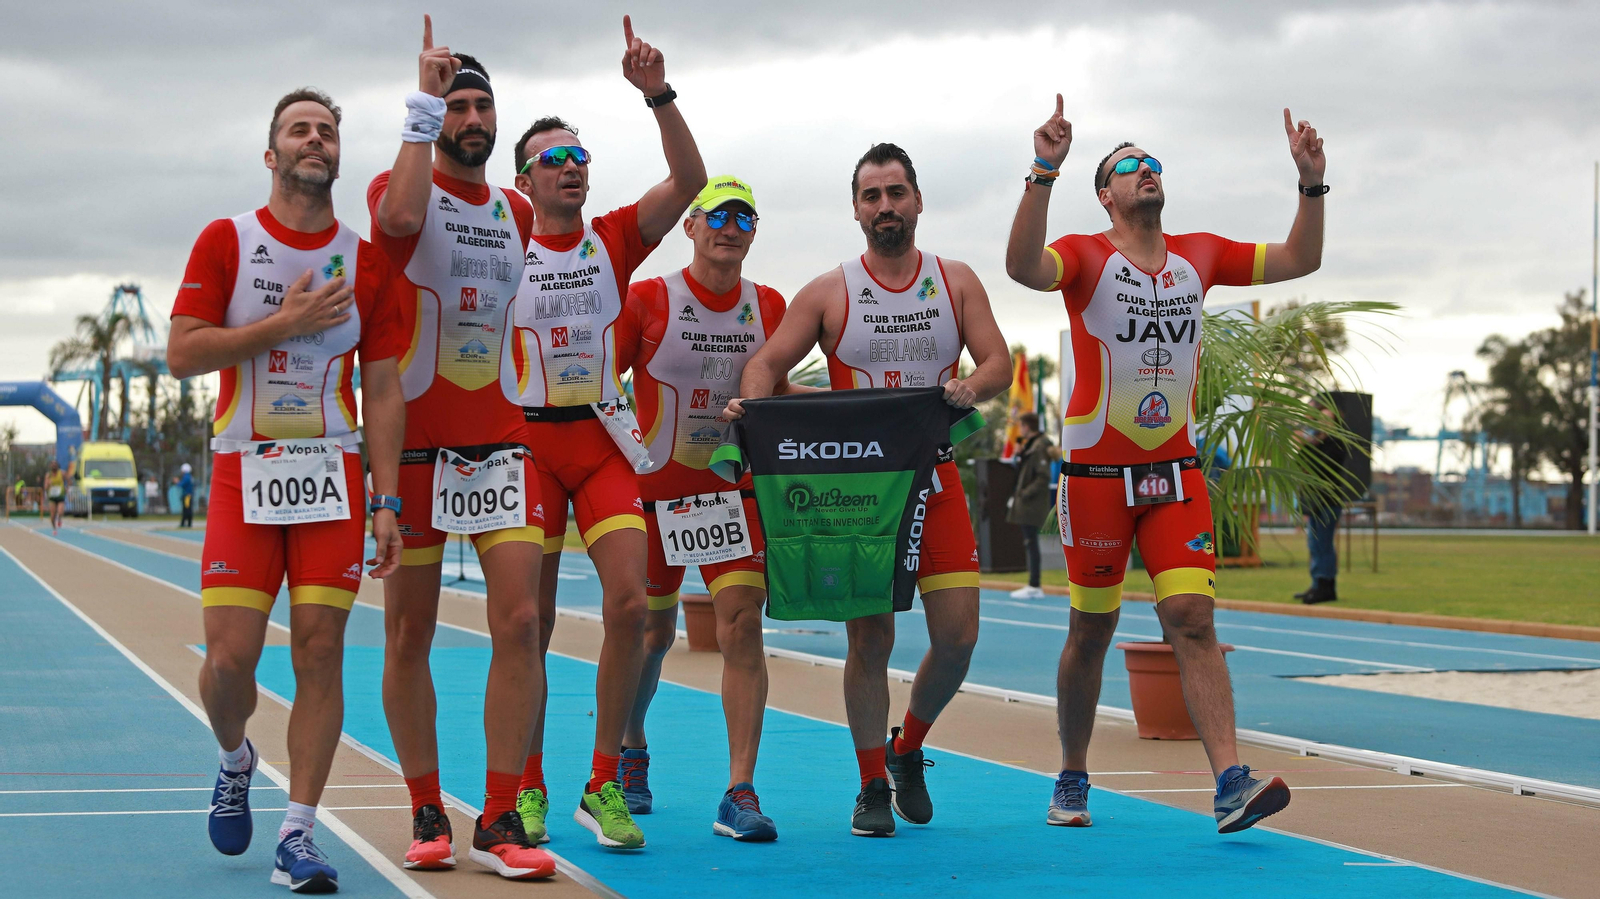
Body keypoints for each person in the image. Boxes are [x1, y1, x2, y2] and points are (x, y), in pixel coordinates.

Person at [1005, 94, 1326, 832]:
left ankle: (1231, 783)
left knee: (1192, 617)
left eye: (1153, 163)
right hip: (1092, 481)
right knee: (1092, 629)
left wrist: (1310, 184)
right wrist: (1041, 171)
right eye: (1129, 166)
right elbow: (1023, 266)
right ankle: (1073, 772)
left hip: (1175, 475)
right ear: (1106, 194)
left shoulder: (1200, 254)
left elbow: (1300, 257)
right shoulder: (1085, 254)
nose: (1146, 170)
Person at [167, 87, 408, 893]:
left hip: (334, 476)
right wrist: (285, 323)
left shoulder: (365, 260)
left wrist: (386, 499)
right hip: (245, 467)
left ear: (338, 154)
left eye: (329, 131)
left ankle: (298, 832)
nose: (316, 139)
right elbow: (183, 353)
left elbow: (382, 388)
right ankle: (236, 755)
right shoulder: (227, 241)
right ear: (271, 155)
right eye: (300, 130)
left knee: (319, 648)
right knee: (229, 662)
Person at [734, 143, 1011, 837]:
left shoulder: (956, 281)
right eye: (871, 195)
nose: (885, 205)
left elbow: (999, 361)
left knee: (957, 637)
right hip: (857, 495)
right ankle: (869, 785)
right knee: (871, 640)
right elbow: (764, 364)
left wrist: (969, 387)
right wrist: (756, 415)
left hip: (934, 481)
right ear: (856, 210)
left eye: (896, 192)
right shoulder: (830, 291)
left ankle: (907, 746)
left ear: (917, 201)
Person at [504, 15, 705, 851]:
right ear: (525, 179)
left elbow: (690, 178)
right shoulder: (504, 233)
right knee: (529, 623)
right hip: (523, 446)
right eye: (556, 158)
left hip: (598, 441)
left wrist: (656, 93)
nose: (573, 169)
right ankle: (526, 787)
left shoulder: (614, 235)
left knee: (630, 606)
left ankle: (601, 779)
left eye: (581, 157)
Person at [367, 18, 555, 879]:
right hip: (415, 450)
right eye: (457, 104)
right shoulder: (399, 180)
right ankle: (425, 804)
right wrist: (420, 101)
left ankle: (504, 812)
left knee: (519, 622)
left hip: (500, 446)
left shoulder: (518, 209)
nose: (471, 116)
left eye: (482, 104)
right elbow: (400, 218)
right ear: (436, 117)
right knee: (410, 633)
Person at [618, 176, 807, 842]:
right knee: (650, 635)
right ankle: (630, 741)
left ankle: (739, 788)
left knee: (741, 626)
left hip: (729, 493)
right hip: (652, 494)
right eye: (718, 214)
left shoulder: (771, 305)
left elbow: (782, 393)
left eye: (745, 217)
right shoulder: (648, 298)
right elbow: (602, 389)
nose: (731, 226)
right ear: (691, 226)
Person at [1296, 396, 1352, 604]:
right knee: (1314, 543)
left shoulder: (1335, 442)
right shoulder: (1314, 441)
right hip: (1314, 499)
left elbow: (1323, 464)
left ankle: (1327, 585)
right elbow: (1300, 461)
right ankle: (1317, 583)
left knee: (1324, 543)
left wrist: (1314, 440)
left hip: (1328, 500)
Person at [1007, 412, 1057, 599]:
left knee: (1031, 543)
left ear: (1027, 426)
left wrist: (1024, 494)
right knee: (1029, 542)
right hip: (1027, 502)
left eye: (1021, 426)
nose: (1020, 429)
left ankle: (1034, 585)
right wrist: (1019, 455)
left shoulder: (1039, 447)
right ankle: (1033, 584)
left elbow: (1043, 476)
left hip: (1032, 503)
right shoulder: (1031, 446)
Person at [43, 459, 66, 535]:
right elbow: (45, 487)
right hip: (52, 497)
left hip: (60, 496)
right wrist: (48, 484)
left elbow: (69, 480)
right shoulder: (48, 475)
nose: (54, 466)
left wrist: (67, 488)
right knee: (52, 515)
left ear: (57, 466)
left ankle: (59, 519)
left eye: (55, 464)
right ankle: (54, 528)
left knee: (60, 511)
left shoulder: (61, 473)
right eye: (52, 464)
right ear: (50, 466)